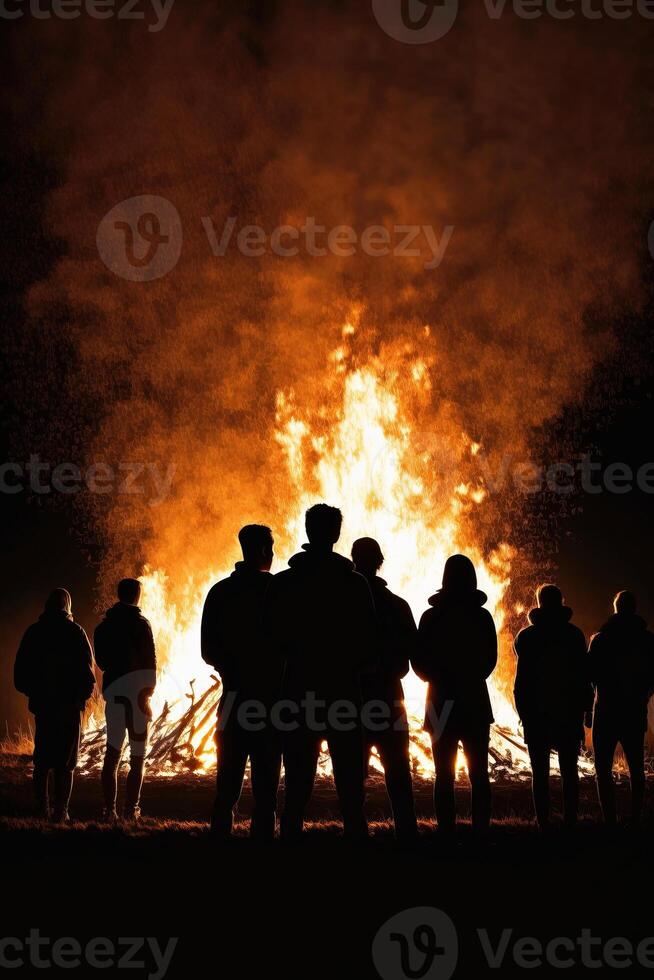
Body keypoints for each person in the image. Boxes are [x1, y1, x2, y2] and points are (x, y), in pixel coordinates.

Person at [265, 504, 377, 842]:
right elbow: (369, 641)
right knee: (350, 785)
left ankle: (290, 849)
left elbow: (270, 637)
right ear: (336, 534)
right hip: (343, 691)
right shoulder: (354, 585)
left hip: (298, 691)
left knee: (296, 783)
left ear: (307, 530)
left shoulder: (283, 584)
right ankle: (357, 851)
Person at [201, 525, 282, 840]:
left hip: (233, 700)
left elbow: (208, 650)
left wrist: (231, 670)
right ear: (264, 551)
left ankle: (219, 845)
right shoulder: (277, 591)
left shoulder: (220, 592)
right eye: (271, 551)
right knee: (266, 791)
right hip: (272, 703)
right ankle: (262, 847)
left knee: (226, 787)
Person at [414, 555, 497, 836]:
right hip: (474, 701)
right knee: (479, 775)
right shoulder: (481, 616)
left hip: (440, 701)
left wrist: (438, 679)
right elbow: (490, 660)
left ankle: (446, 833)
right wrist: (468, 677)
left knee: (444, 775)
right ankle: (481, 834)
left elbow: (419, 661)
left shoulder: (431, 617)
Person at [351, 537, 418, 842]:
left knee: (353, 774)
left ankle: (356, 833)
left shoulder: (341, 606)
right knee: (398, 772)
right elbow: (409, 662)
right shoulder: (398, 605)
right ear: (380, 562)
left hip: (352, 700)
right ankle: (406, 833)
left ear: (353, 559)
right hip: (390, 700)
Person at [514, 584, 592, 832]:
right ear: (561, 602)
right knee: (570, 771)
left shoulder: (526, 637)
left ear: (539, 603)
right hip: (567, 713)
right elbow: (583, 678)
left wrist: (524, 713)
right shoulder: (574, 635)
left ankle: (543, 824)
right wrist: (586, 709)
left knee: (540, 773)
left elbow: (521, 682)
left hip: (537, 714)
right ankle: (570, 822)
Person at [14, 588, 95, 822]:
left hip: (45, 706)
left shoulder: (35, 632)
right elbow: (88, 674)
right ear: (68, 606)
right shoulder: (76, 632)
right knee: (66, 762)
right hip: (69, 707)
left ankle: (42, 809)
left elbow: (20, 673)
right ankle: (61, 811)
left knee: (42, 760)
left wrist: (35, 694)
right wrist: (80, 699)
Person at [588, 590, 654, 829]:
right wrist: (642, 696)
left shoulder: (601, 639)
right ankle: (636, 819)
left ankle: (610, 821)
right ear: (634, 609)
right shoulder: (647, 640)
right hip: (633, 712)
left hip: (606, 711)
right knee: (636, 767)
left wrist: (590, 707)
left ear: (615, 608)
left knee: (603, 770)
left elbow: (590, 675)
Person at [94, 578, 157, 822]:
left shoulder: (104, 627)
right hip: (138, 697)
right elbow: (150, 661)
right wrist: (148, 692)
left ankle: (109, 809)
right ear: (136, 596)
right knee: (138, 755)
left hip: (115, 696)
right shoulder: (142, 624)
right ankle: (131, 809)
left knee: (112, 754)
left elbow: (101, 661)